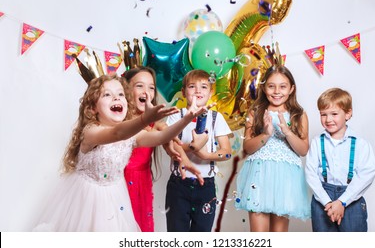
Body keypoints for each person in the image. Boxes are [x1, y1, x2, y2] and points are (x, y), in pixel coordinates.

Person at [33, 74, 208, 232]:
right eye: (107, 94)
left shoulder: (133, 135)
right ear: (93, 108)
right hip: (85, 198)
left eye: (121, 94)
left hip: (114, 198)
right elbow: (117, 133)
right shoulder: (91, 131)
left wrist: (185, 120)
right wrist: (144, 119)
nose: (116, 97)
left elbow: (161, 137)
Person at [123, 67, 200, 232]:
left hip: (141, 182)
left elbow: (169, 138)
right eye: (139, 86)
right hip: (120, 181)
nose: (146, 91)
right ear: (126, 89)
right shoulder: (119, 120)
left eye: (151, 87)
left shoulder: (155, 124)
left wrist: (185, 162)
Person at [235, 65, 311, 232]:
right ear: (264, 87)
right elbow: (247, 147)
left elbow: (303, 150)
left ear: (291, 89)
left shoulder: (298, 114)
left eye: (283, 86)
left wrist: (287, 132)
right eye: (271, 86)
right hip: (259, 176)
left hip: (285, 179)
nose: (277, 91)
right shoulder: (255, 112)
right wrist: (266, 134)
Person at [164, 69, 232, 232]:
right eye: (192, 86)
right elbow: (170, 147)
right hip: (178, 184)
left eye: (204, 86)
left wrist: (205, 154)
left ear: (211, 92)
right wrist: (194, 146)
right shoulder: (175, 115)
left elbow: (227, 151)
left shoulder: (216, 118)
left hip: (206, 186)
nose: (198, 91)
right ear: (183, 92)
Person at [305, 88, 375, 232]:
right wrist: (328, 202)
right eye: (323, 114)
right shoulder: (317, 143)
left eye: (334, 114)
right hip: (323, 201)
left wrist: (342, 201)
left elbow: (367, 174)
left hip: (352, 201)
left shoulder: (360, 144)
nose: (328, 119)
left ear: (348, 114)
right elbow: (310, 174)